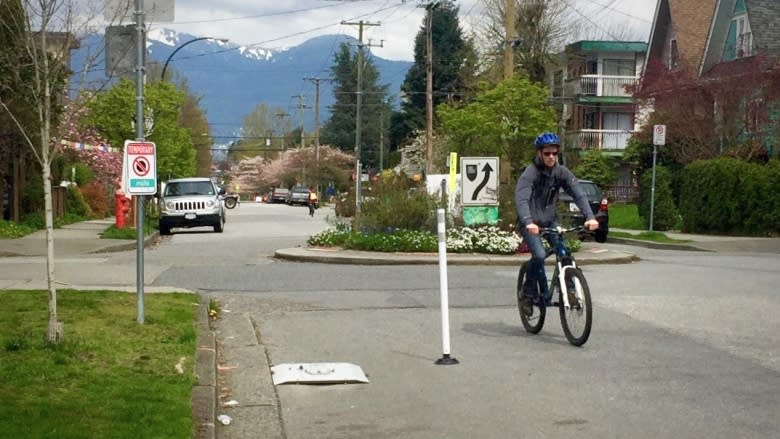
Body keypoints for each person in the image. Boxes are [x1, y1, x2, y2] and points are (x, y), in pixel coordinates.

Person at [515, 132, 599, 312]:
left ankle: (569, 291)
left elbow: (578, 193)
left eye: (554, 153)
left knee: (565, 252)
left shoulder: (561, 173)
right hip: (530, 223)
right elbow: (521, 199)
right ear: (539, 153)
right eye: (547, 153)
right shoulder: (530, 173)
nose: (551, 157)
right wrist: (528, 221)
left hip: (550, 221)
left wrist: (590, 216)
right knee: (538, 255)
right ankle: (528, 294)